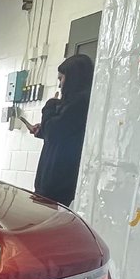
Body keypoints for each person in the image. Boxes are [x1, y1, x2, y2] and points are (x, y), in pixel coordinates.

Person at [30, 54, 95, 207]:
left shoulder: (81, 103)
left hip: (59, 183)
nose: (60, 85)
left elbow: (54, 132)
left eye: (61, 79)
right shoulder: (72, 103)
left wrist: (49, 106)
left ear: (73, 78)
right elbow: (61, 133)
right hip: (53, 180)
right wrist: (41, 131)